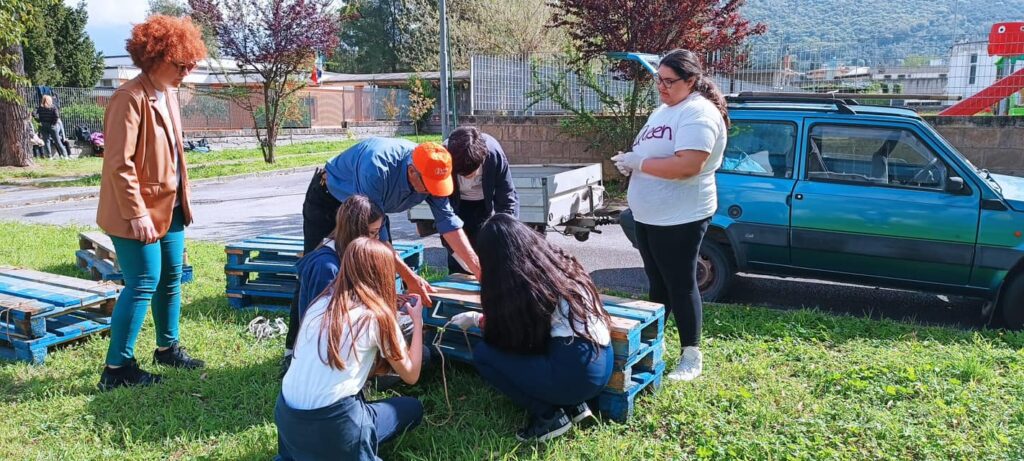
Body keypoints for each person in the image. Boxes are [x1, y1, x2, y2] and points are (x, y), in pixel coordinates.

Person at [94, 15, 207, 390]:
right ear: (155, 56)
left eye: (190, 65)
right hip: (135, 212)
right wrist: (136, 212)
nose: (186, 73)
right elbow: (118, 164)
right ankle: (117, 369)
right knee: (143, 281)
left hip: (171, 207)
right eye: (180, 65)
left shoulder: (169, 95)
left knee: (170, 277)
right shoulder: (129, 97)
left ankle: (167, 347)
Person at [610, 49, 729, 382]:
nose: (661, 86)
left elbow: (688, 165)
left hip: (681, 216)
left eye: (669, 81)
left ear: (690, 81)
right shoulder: (665, 110)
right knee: (658, 282)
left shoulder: (698, 113)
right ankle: (655, 343)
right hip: (650, 215)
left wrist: (640, 163)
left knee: (681, 283)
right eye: (658, 80)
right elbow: (652, 149)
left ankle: (691, 355)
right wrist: (631, 158)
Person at [449, 214, 613, 442]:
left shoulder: (528, 283)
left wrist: (479, 321)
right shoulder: (555, 263)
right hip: (603, 361)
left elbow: (513, 337)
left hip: (575, 374)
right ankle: (574, 406)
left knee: (485, 353)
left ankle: (549, 416)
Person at [276, 237, 425, 461]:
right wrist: (418, 323)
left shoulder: (320, 303)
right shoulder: (377, 317)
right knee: (412, 409)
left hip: (287, 419)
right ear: (383, 274)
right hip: (336, 425)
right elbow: (411, 374)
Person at [302, 137, 483, 304]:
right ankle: (298, 336)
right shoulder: (377, 168)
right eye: (429, 186)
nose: (434, 192)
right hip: (329, 200)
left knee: (369, 277)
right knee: (317, 273)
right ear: (412, 172)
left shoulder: (432, 172)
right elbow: (378, 236)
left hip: (371, 212)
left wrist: (478, 270)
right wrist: (410, 278)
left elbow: (448, 223)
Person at [441, 126, 519, 274]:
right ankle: (458, 283)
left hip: (483, 205)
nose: (467, 178)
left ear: (483, 158)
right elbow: (443, 213)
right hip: (457, 207)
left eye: (471, 173)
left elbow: (507, 201)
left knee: (490, 251)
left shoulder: (494, 154)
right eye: (461, 173)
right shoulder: (444, 157)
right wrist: (458, 254)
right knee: (458, 257)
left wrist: (505, 238)